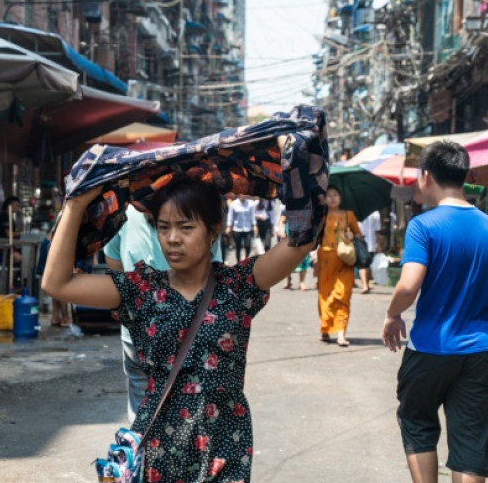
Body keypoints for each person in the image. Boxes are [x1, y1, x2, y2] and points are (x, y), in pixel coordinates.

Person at [43, 177, 317, 483]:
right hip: (160, 441)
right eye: (163, 227)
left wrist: (296, 159)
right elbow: (56, 283)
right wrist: (76, 205)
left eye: (186, 227)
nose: (173, 238)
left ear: (213, 230)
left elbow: (304, 238)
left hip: (225, 440)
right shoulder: (141, 290)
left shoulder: (238, 285)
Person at [382, 142, 488, 483]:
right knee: (470, 443)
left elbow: (408, 286)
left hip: (429, 349)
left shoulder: (424, 226)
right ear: (467, 176)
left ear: (426, 177)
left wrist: (392, 314)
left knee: (418, 424)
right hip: (481, 352)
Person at [104, 204, 223, 424]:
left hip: (164, 336)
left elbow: (112, 260)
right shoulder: (193, 212)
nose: (171, 238)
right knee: (189, 414)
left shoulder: (123, 214)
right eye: (163, 228)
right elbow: (213, 270)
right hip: (177, 335)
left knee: (144, 411)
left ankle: (143, 453)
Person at [316, 186, 362, 347]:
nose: (333, 198)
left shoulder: (349, 216)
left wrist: (352, 236)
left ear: (340, 198)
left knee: (343, 296)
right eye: (329, 195)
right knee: (325, 297)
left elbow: (359, 235)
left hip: (344, 262)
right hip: (325, 262)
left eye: (335, 195)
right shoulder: (321, 216)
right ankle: (326, 329)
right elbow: (314, 238)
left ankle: (341, 333)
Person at [278, 214, 310, 291]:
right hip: (290, 236)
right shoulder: (290, 205)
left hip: (304, 236)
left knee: (303, 258)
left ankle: (302, 282)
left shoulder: (308, 206)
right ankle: (288, 280)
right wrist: (280, 230)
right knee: (288, 259)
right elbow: (282, 220)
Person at [225, 195, 257, 263]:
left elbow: (252, 215)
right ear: (239, 195)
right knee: (238, 247)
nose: (243, 195)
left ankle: (246, 259)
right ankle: (238, 262)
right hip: (237, 228)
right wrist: (229, 226)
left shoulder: (251, 204)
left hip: (247, 228)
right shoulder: (233, 204)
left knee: (248, 246)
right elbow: (230, 216)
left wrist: (254, 225)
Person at [0, 196, 23, 268]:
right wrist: (21, 234)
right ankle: (2, 267)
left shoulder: (10, 216)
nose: (18, 207)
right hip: (1, 245)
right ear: (10, 205)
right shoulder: (5, 216)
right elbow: (8, 234)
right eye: (16, 205)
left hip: (7, 244)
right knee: (18, 257)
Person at [358, 210, 381, 294]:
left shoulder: (357, 211)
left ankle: (365, 285)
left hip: (361, 240)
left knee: (364, 264)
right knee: (366, 263)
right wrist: (379, 245)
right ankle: (365, 285)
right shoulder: (376, 213)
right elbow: (377, 231)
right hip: (371, 242)